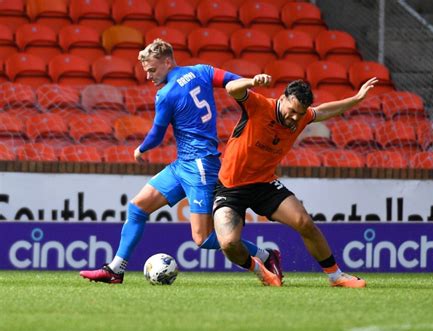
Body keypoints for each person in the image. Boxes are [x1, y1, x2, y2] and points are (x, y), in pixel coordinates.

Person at [80, 39, 281, 284]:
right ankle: (115, 270)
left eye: (152, 70)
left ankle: (266, 254)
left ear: (167, 62)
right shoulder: (202, 71)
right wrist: (251, 81)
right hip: (183, 164)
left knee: (204, 238)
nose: (148, 76)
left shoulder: (166, 94)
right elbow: (234, 82)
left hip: (200, 166)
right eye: (146, 71)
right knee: (137, 208)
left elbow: (156, 134)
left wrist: (140, 149)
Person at [213, 74, 378, 287]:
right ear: (282, 98)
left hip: (263, 184)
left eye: (299, 114)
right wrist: (252, 82)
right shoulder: (259, 105)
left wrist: (356, 99)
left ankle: (336, 276)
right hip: (230, 186)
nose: (294, 118)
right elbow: (232, 88)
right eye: (291, 111)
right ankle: (261, 271)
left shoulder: (302, 117)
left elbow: (325, 110)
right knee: (228, 244)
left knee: (305, 223)